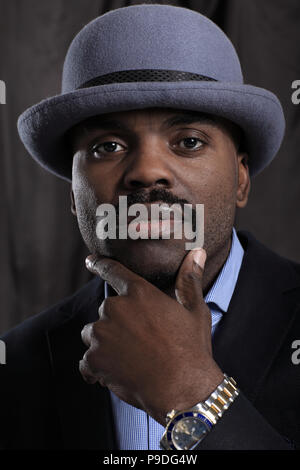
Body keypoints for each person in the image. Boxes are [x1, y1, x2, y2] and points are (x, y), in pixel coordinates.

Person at [0, 4, 299, 451]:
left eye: (189, 142)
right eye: (109, 145)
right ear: (72, 193)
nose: (147, 171)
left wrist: (191, 391)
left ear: (241, 178)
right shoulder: (16, 366)